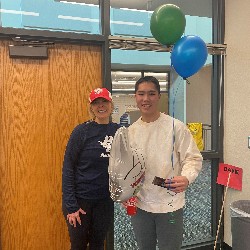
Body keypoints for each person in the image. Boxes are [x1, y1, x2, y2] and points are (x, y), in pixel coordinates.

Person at [126, 76, 203, 250]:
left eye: (151, 94)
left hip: (170, 203)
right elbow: (127, 169)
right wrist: (125, 192)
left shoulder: (176, 127)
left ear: (159, 96)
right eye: (141, 94)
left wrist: (186, 177)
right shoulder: (130, 132)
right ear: (135, 97)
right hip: (140, 204)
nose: (146, 99)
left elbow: (193, 158)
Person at [62, 87, 120, 250]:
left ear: (111, 104)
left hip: (104, 201)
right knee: (79, 245)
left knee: (97, 244)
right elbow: (68, 168)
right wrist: (71, 206)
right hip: (80, 201)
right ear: (91, 107)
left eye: (104, 101)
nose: (101, 106)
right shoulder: (81, 131)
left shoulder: (118, 131)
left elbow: (125, 165)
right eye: (96, 103)